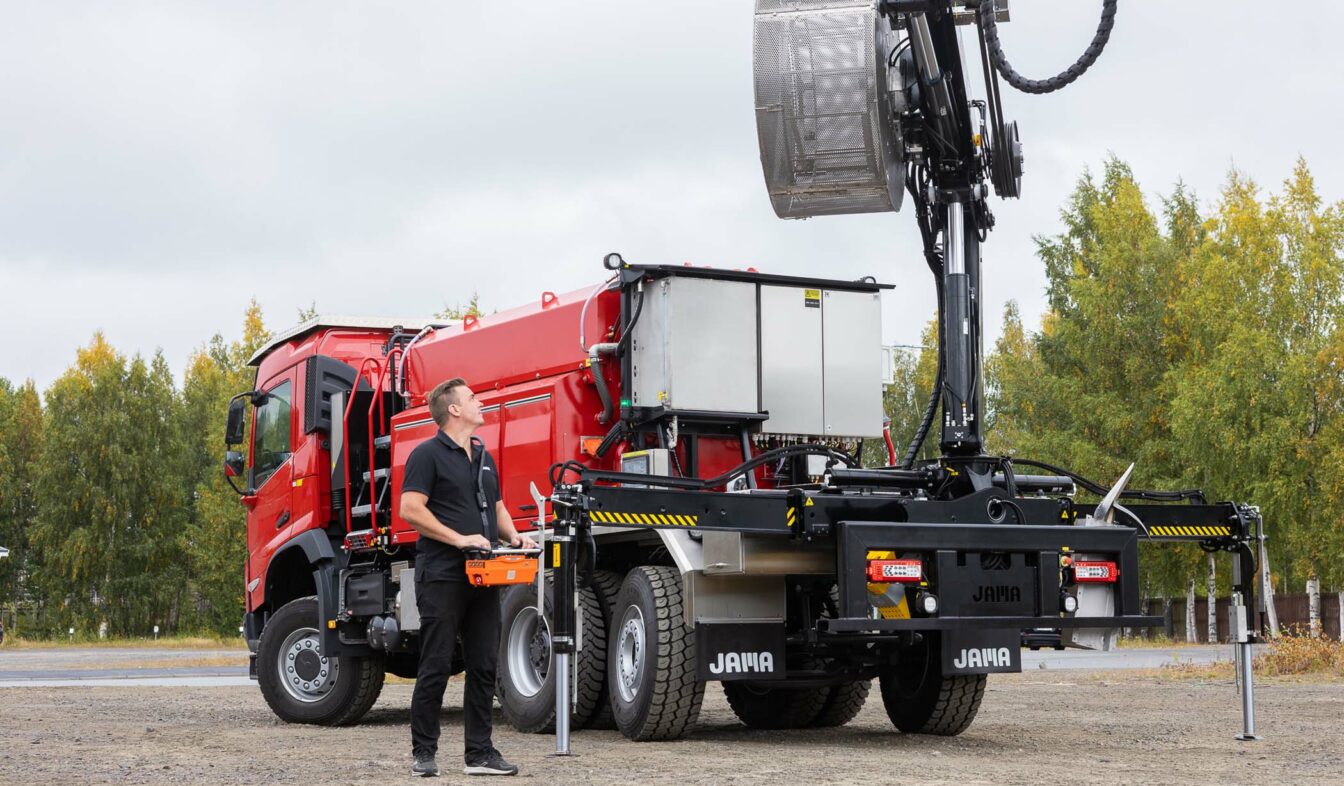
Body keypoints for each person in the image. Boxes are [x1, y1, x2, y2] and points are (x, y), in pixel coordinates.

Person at [400, 377, 537, 777]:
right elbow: (411, 509)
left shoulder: (482, 455)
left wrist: (514, 536)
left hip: (484, 574)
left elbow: (495, 507)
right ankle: (423, 753)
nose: (481, 402)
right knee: (437, 664)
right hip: (442, 575)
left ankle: (479, 755)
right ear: (454, 409)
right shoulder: (426, 455)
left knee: (483, 665)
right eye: (473, 398)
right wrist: (459, 539)